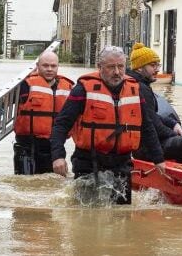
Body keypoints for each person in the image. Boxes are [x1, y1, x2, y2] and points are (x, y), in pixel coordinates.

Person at [50, 46, 165, 204]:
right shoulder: (83, 90)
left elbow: (147, 126)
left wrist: (158, 159)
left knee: (122, 215)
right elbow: (61, 125)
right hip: (89, 162)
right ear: (100, 67)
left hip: (122, 162)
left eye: (121, 67)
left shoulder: (135, 90)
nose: (117, 72)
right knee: (86, 216)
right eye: (111, 67)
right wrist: (58, 156)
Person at [126, 42, 182, 165]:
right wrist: (177, 135)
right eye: (153, 65)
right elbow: (154, 126)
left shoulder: (136, 84)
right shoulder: (141, 88)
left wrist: (173, 123)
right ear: (139, 67)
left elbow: (151, 115)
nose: (157, 69)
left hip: (141, 147)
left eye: (158, 65)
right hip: (148, 149)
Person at [13, 51, 74, 175]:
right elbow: (4, 102)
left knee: (53, 186)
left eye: (53, 66)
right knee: (25, 185)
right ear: (37, 66)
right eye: (45, 66)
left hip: (54, 147)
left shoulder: (69, 88)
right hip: (27, 146)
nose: (49, 69)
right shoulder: (25, 85)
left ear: (58, 67)